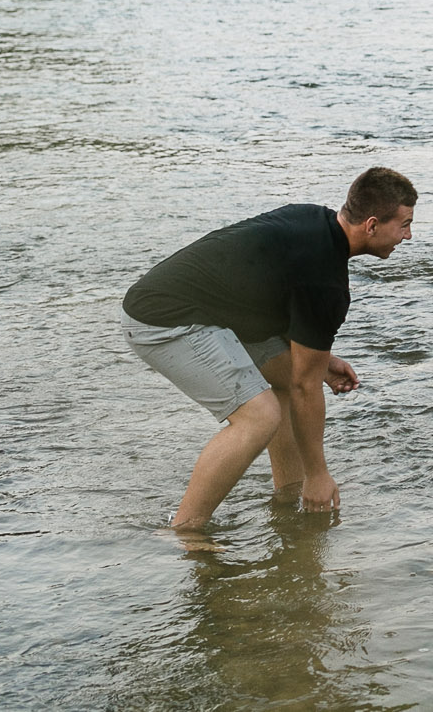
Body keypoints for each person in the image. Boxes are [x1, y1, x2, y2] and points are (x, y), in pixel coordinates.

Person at [120, 166, 417, 533]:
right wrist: (319, 474)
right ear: (371, 225)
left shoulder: (312, 220)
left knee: (284, 384)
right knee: (259, 416)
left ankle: (287, 498)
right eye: (404, 224)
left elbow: (282, 324)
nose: (408, 236)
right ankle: (186, 530)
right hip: (163, 319)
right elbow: (305, 386)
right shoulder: (325, 280)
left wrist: (321, 363)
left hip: (213, 312)